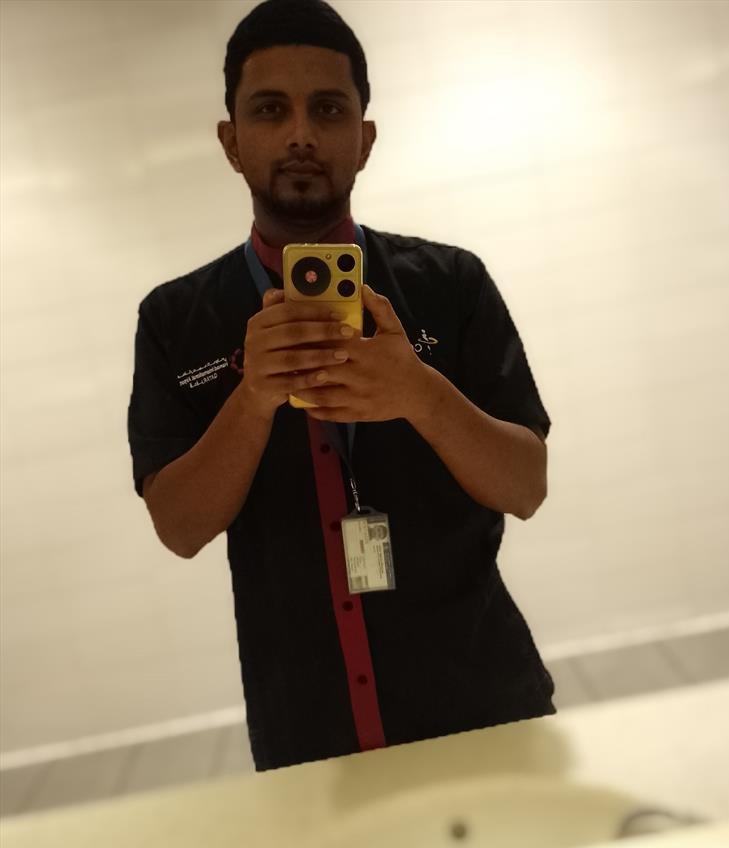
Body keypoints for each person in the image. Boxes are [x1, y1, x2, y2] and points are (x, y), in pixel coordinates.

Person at [127, 0, 556, 772]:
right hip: (307, 739)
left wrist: (419, 393)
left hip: (486, 711)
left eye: (328, 109)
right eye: (269, 110)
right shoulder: (175, 320)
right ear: (231, 142)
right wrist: (252, 398)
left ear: (365, 138)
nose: (300, 134)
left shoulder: (451, 284)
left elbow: (524, 486)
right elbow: (179, 528)